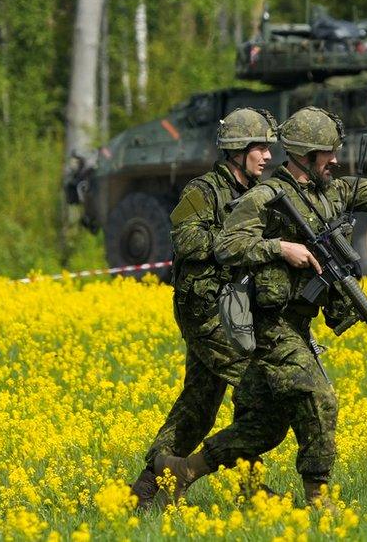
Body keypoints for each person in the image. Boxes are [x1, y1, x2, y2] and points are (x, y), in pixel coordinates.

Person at [151, 106, 367, 509]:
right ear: (305, 154)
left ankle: (184, 472)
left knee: (266, 421)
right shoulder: (265, 197)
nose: (335, 160)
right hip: (268, 324)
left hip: (297, 323)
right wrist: (280, 248)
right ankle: (316, 497)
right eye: (328, 153)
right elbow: (225, 245)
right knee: (318, 398)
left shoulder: (333, 191)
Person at [128, 107, 278, 509]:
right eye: (259, 147)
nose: (267, 155)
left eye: (268, 148)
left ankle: (144, 491)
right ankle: (250, 488)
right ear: (236, 150)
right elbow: (186, 241)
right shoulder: (204, 191)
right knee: (255, 387)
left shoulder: (256, 193)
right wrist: (236, 238)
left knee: (198, 406)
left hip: (235, 308)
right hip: (207, 309)